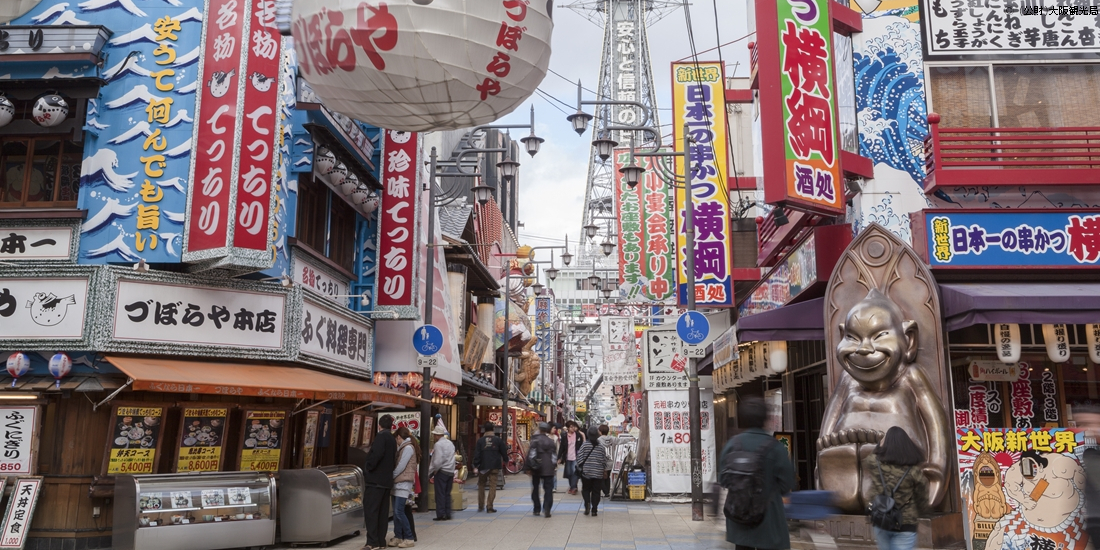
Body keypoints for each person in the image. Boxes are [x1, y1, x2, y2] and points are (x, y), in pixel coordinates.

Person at [721, 396, 795, 550]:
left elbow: (723, 479)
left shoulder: (732, 444)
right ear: (765, 419)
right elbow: (787, 483)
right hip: (768, 519)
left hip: (738, 517)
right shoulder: (775, 447)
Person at [863, 426, 929, 550]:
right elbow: (922, 497)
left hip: (881, 519)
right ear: (907, 445)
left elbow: (869, 457)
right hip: (906, 523)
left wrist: (879, 444)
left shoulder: (874, 463)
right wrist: (922, 514)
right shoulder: (913, 471)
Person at [363, 415, 397, 550]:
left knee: (371, 511)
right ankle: (381, 541)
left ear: (379, 425)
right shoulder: (392, 439)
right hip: (387, 480)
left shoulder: (381, 436)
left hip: (375, 481)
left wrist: (369, 467)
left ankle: (372, 542)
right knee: (383, 513)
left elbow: (376, 454)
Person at [390, 427, 419, 548]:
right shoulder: (404, 447)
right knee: (397, 512)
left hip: (403, 482)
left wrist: (392, 475)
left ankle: (408, 537)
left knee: (399, 511)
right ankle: (398, 536)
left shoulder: (407, 447)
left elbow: (401, 466)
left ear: (398, 437)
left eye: (396, 439)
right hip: (398, 483)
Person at [1076, 405, 1100, 545]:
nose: (1088, 428)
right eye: (1083, 424)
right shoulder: (1091, 453)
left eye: (1091, 423)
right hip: (1095, 522)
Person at [473, 422, 508, 513]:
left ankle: (480, 505)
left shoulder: (480, 441)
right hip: (494, 466)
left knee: (481, 484)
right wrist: (506, 460)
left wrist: (476, 465)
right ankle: (489, 506)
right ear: (493, 429)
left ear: (484, 429)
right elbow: (503, 451)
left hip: (483, 466)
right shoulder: (498, 440)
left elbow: (477, 454)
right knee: (493, 485)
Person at [576, 427, 608, 516]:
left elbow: (579, 458)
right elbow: (604, 460)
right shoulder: (601, 447)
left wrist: (581, 466)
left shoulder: (585, 445)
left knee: (586, 489)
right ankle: (594, 510)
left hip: (586, 473)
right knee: (596, 491)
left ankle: (587, 504)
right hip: (598, 473)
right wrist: (603, 469)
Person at [528, 422, 558, 517]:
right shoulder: (550, 441)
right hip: (548, 468)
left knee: (536, 488)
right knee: (548, 489)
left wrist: (529, 467)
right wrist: (553, 466)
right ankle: (547, 508)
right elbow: (554, 456)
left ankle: (537, 508)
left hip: (537, 468)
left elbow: (531, 455)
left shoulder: (534, 441)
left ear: (539, 429)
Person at [428, 425, 456, 521]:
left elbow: (438, 460)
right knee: (447, 493)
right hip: (450, 471)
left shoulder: (438, 445)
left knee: (440, 493)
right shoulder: (450, 443)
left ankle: (441, 514)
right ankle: (448, 513)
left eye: (434, 435)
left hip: (441, 471)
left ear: (437, 435)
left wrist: (433, 470)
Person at [598, 424, 633, 498]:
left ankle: (605, 491)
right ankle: (607, 493)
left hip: (601, 461)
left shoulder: (598, 440)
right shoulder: (612, 439)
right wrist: (630, 439)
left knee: (600, 477)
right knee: (607, 477)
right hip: (611, 461)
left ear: (600, 432)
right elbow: (621, 440)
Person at [558, 421, 584, 495]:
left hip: (576, 457)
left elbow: (582, 446)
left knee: (574, 472)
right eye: (571, 427)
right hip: (567, 457)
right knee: (569, 473)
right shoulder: (564, 436)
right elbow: (561, 448)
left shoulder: (578, 435)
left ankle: (573, 487)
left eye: (574, 427)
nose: (573, 428)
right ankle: (573, 486)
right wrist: (559, 457)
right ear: (568, 428)